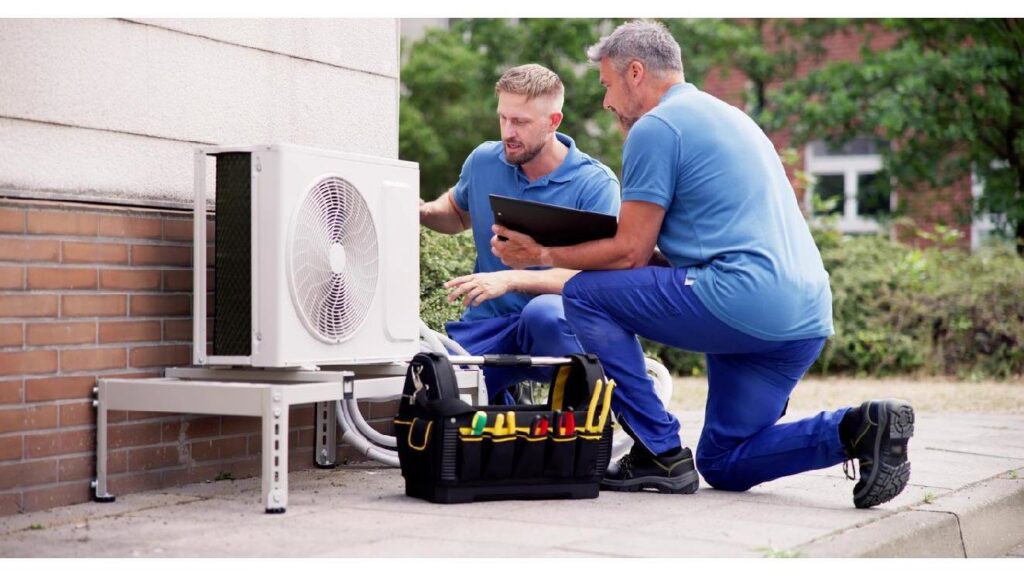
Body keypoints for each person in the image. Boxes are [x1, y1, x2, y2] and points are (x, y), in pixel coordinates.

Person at [488, 21, 914, 508]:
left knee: (583, 294)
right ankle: (860, 428)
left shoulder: (656, 126)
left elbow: (629, 252)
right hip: (805, 315)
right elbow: (665, 248)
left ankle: (658, 451)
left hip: (738, 296)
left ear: (634, 72)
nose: (606, 102)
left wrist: (543, 254)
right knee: (724, 462)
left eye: (607, 85)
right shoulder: (731, 117)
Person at [420, 63, 620, 405]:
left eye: (521, 122)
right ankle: (507, 404)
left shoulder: (595, 185)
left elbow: (599, 278)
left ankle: (585, 414)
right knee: (440, 395)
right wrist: (418, 211)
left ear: (553, 122)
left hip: (558, 324)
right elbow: (455, 214)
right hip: (488, 323)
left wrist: (512, 280)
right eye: (504, 118)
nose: (508, 132)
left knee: (541, 315)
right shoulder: (484, 161)